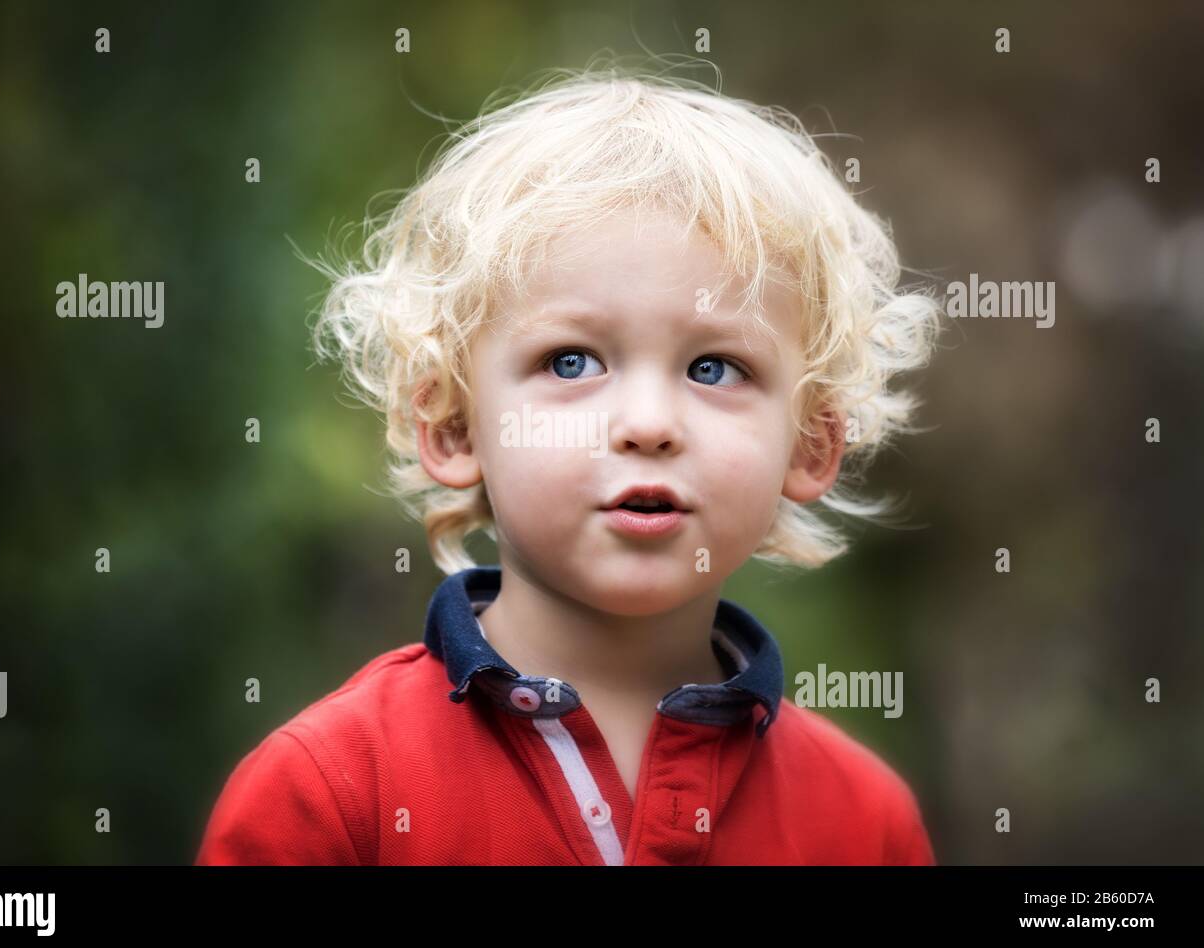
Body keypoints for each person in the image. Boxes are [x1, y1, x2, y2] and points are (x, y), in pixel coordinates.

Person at [196, 64, 941, 865]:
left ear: (810, 446)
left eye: (715, 368)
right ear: (452, 426)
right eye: (573, 362)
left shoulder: (863, 823)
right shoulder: (333, 796)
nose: (649, 425)